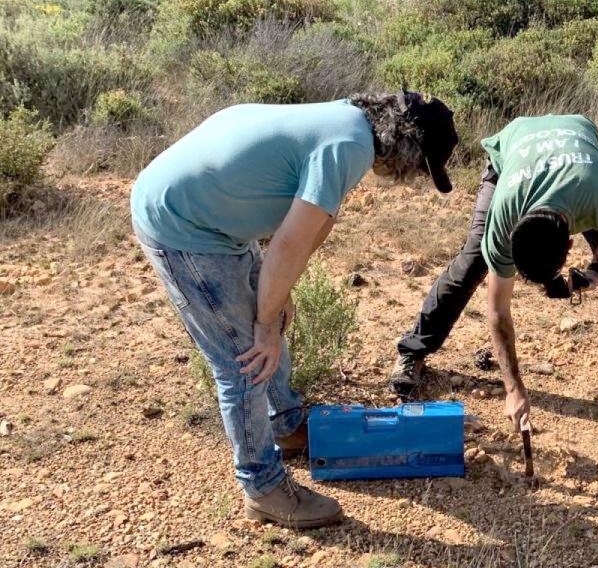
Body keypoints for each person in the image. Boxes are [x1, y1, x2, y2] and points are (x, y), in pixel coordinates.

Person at [130, 91, 458, 528]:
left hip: (210, 215)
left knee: (270, 323)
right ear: (408, 148)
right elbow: (287, 244)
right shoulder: (348, 146)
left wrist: (279, 296)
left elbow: (311, 226)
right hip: (183, 225)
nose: (408, 178)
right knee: (245, 360)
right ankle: (263, 488)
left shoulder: (346, 121)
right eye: (419, 168)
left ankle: (285, 426)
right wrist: (265, 322)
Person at [389, 114, 598, 429]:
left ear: (570, 243)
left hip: (579, 154)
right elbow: (498, 311)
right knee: (472, 262)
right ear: (511, 240)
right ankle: (413, 350)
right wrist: (513, 388)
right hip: (513, 157)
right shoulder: (503, 219)